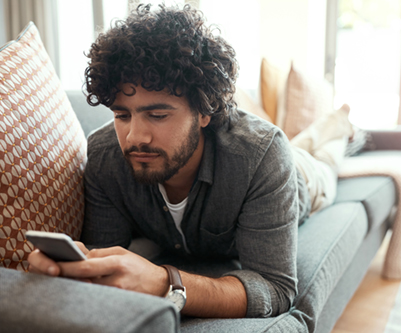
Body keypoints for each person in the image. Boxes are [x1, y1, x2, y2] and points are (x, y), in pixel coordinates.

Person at [28, 3, 352, 319]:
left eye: (157, 114)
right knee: (304, 145)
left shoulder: (262, 155)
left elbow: (276, 289)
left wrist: (165, 282)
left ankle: (340, 128)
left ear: (204, 112)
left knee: (322, 158)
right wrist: (72, 272)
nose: (134, 137)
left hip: (304, 179)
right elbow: (105, 264)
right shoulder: (105, 156)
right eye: (122, 115)